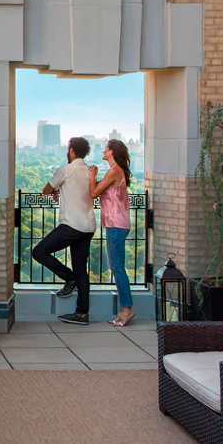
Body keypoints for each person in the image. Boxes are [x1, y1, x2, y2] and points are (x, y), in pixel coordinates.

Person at [32, 137, 97, 325]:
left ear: (72, 151)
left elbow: (46, 190)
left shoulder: (65, 170)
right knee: (81, 270)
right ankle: (82, 314)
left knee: (39, 252)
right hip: (88, 227)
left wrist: (55, 190)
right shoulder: (89, 171)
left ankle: (69, 278)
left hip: (71, 225)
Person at [91, 139, 134, 327]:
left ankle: (126, 310)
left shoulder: (114, 172)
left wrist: (92, 175)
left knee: (117, 268)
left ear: (112, 152)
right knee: (117, 267)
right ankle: (125, 309)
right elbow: (97, 189)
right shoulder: (116, 172)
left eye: (106, 148)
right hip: (117, 224)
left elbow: (94, 193)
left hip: (116, 224)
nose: (103, 151)